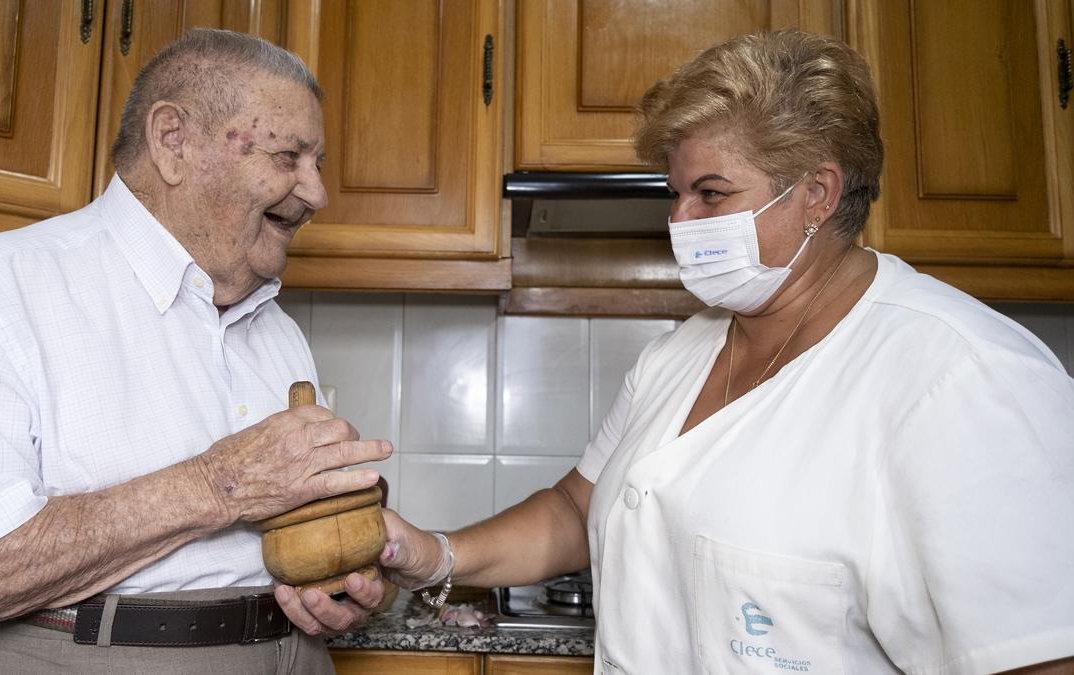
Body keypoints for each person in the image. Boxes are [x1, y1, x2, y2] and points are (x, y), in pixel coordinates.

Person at [380, 29, 1074, 674]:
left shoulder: (965, 379)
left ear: (817, 195)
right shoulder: (678, 355)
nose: (678, 221)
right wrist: (434, 552)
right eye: (675, 193)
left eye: (710, 193)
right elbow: (574, 509)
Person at [0, 28, 392, 674]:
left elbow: (273, 541)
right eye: (289, 157)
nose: (317, 193)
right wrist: (219, 484)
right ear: (173, 141)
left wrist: (334, 586)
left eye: (318, 165)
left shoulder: (277, 329)